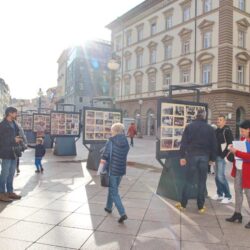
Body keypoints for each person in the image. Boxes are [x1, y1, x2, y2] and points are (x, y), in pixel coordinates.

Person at [176, 109, 217, 213]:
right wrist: (212, 159)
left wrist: (182, 157)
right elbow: (214, 145)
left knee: (188, 180)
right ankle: (200, 206)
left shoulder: (189, 126)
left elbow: (184, 142)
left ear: (196, 116)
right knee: (202, 182)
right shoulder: (210, 128)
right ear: (205, 116)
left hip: (192, 156)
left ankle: (183, 204)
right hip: (204, 157)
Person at [101, 122, 129, 223]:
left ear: (115, 131)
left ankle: (122, 213)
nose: (111, 131)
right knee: (113, 188)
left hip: (112, 170)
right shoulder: (125, 141)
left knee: (114, 192)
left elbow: (105, 155)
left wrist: (102, 163)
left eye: (112, 129)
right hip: (121, 170)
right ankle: (108, 207)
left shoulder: (111, 141)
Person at [226, 120, 250, 229]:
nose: (242, 133)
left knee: (249, 194)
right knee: (237, 191)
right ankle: (237, 213)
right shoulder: (242, 139)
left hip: (248, 171)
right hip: (239, 169)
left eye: (243, 130)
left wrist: (237, 152)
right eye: (241, 131)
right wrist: (232, 148)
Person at [0, 107, 23, 202]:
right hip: (5, 152)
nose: (16, 115)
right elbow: (2, 140)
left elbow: (17, 134)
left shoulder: (14, 124)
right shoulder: (2, 125)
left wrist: (19, 139)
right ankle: (1, 193)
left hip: (14, 152)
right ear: (9, 113)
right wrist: (14, 140)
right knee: (4, 173)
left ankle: (10, 191)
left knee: (11, 173)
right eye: (15, 113)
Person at [213, 115, 233, 204]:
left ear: (225, 122)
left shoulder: (227, 130)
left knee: (221, 177)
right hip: (215, 156)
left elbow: (230, 144)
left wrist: (223, 155)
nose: (218, 121)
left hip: (221, 157)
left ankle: (228, 196)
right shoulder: (216, 131)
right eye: (218, 119)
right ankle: (220, 194)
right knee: (217, 177)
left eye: (220, 120)